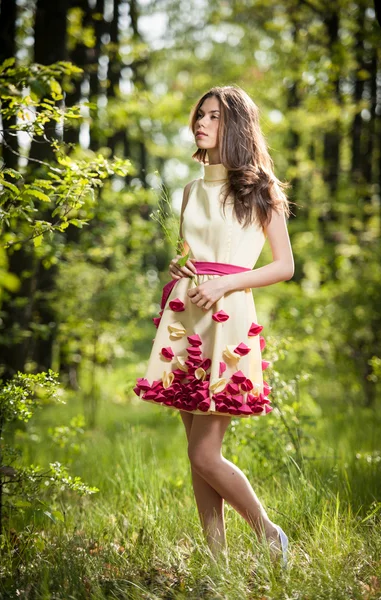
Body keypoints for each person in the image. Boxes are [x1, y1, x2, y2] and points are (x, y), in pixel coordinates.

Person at [134, 85, 294, 569]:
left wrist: (225, 285)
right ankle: (218, 563)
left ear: (237, 127)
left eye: (214, 117)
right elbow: (192, 257)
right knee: (194, 451)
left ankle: (270, 534)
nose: (201, 123)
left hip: (227, 316)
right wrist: (180, 270)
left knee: (207, 454)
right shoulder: (188, 190)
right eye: (199, 115)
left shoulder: (258, 187)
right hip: (185, 318)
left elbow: (283, 265)